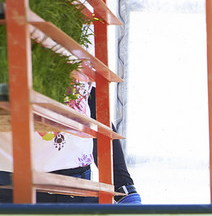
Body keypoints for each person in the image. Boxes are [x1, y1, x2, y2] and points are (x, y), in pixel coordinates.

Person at [0, 82, 140, 204]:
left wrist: (124, 187)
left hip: (76, 186)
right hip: (9, 184)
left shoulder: (80, 58)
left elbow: (91, 105)